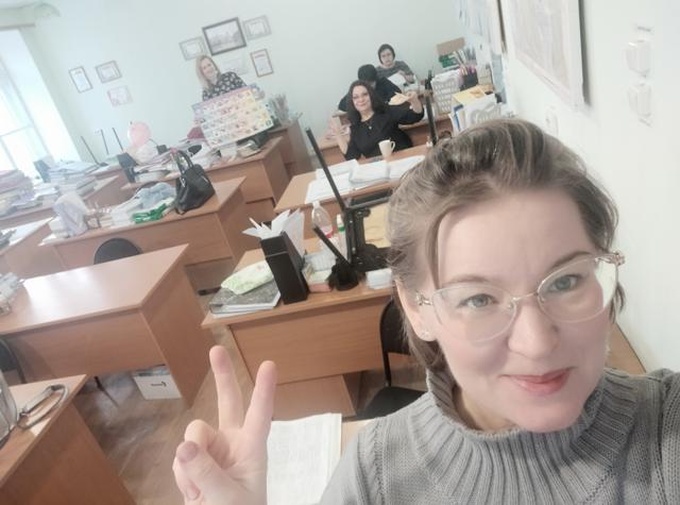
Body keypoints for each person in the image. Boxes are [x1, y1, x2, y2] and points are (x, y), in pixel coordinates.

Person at [173, 119, 680, 503]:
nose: (538, 342)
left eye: (566, 280)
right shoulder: (375, 479)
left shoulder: (667, 434)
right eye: (478, 298)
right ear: (417, 309)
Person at [331, 80, 423, 160]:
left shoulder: (386, 111)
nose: (361, 99)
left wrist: (414, 100)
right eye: (356, 97)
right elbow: (352, 156)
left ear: (371, 96)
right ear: (352, 102)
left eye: (365, 94)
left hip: (402, 159)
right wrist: (338, 135)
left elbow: (415, 116)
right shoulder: (356, 127)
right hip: (380, 168)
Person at [336, 64, 402, 112]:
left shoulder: (383, 82)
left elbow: (398, 93)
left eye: (371, 83)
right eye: (365, 84)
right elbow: (342, 105)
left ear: (375, 79)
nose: (368, 86)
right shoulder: (358, 88)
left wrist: (383, 103)